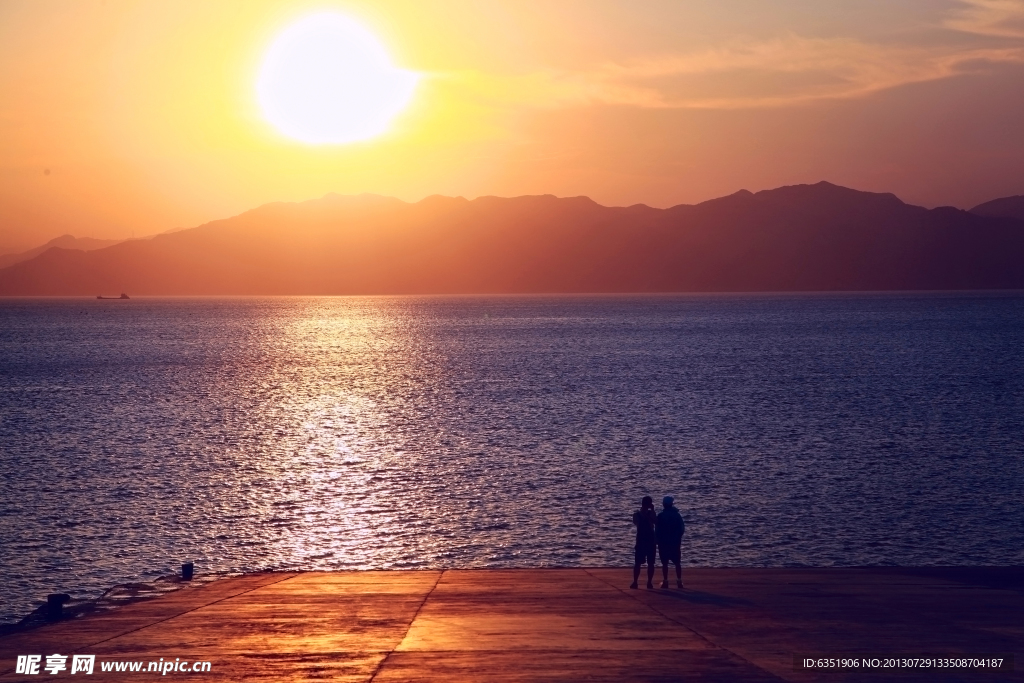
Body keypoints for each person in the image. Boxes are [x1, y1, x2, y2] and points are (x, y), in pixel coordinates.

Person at [656, 495, 685, 589]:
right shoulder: (677, 515)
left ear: (664, 505)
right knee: (677, 563)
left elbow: (657, 530)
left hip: (663, 542)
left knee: (664, 563)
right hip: (675, 542)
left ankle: (665, 581)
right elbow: (681, 528)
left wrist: (657, 540)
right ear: (671, 504)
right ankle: (679, 581)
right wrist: (678, 537)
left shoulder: (661, 516)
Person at [630, 496, 657, 589]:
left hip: (641, 541)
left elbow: (637, 523)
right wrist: (652, 511)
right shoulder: (648, 514)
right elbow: (655, 522)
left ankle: (635, 582)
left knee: (638, 563)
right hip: (649, 541)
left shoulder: (636, 515)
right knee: (650, 563)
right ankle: (649, 582)